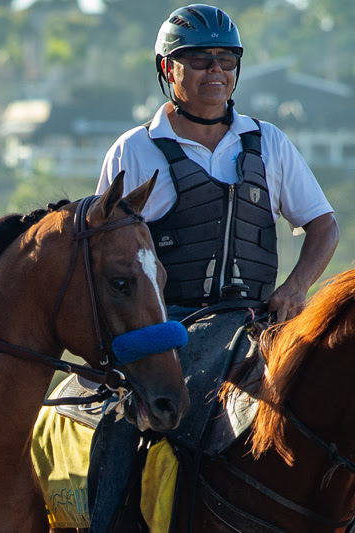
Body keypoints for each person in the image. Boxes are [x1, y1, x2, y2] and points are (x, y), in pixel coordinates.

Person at [87, 4, 339, 531]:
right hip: (171, 327)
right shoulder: (135, 150)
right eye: (199, 60)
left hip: (260, 322)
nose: (216, 71)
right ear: (167, 69)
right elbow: (105, 257)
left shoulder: (269, 142)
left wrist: (295, 288)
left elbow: (323, 225)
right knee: (122, 423)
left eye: (227, 59)